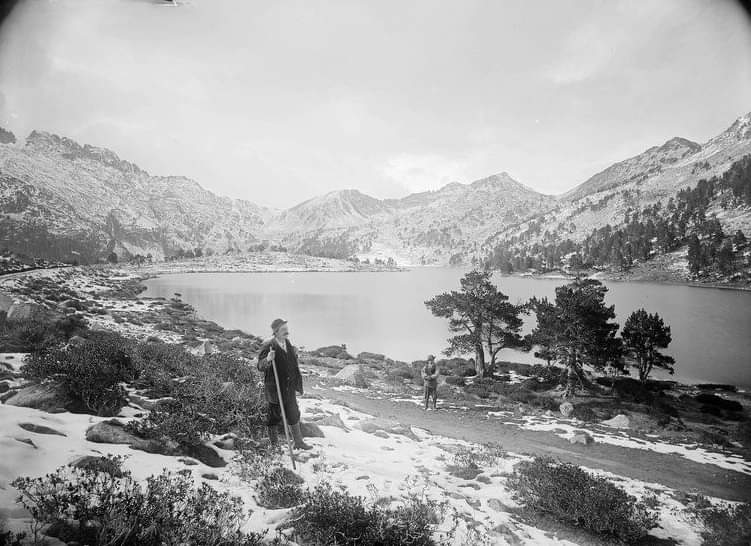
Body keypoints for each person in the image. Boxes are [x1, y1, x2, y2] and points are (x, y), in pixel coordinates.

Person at [257, 318, 312, 450]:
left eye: (286, 329)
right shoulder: (268, 345)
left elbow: (290, 363)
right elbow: (260, 366)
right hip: (275, 389)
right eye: (283, 330)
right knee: (274, 417)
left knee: (293, 414)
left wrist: (294, 355)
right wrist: (268, 359)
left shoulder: (287, 342)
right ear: (276, 332)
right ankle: (274, 445)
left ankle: (298, 442)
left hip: (289, 388)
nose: (287, 332)